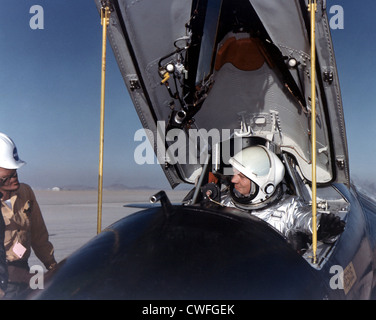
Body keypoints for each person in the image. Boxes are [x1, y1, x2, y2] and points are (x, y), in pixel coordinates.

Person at [221, 145, 345, 251]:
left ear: (265, 186)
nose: (233, 180)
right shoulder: (224, 201)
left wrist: (324, 226)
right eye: (234, 174)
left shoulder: (288, 209)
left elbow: (305, 219)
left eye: (242, 177)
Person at [0, 132, 57, 299]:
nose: (15, 179)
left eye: (15, 172)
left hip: (23, 271)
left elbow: (39, 235)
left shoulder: (26, 192)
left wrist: (52, 265)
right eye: (7, 177)